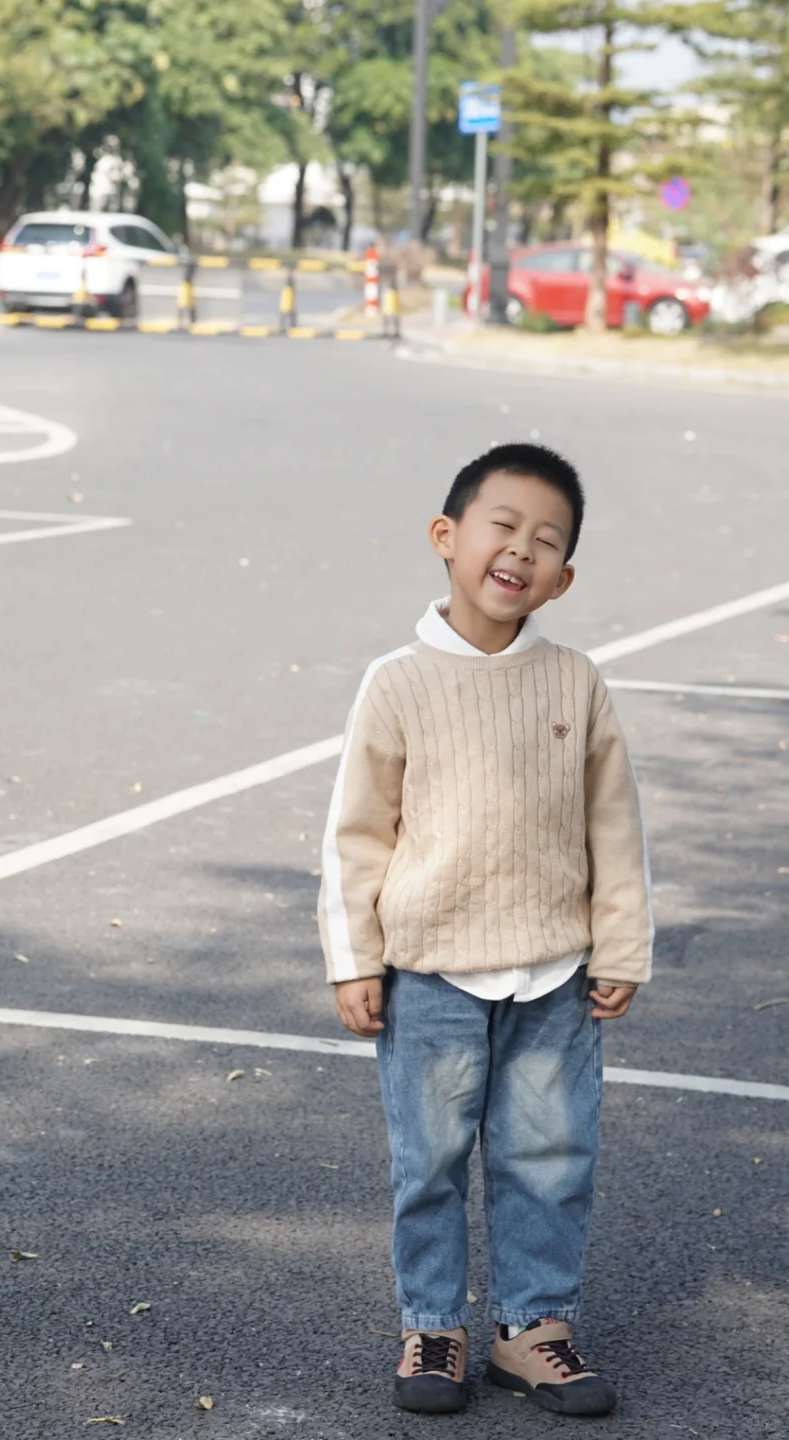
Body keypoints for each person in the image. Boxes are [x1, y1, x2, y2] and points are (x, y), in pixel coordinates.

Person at [318, 443, 652, 1417]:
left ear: (565, 576)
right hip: (428, 972)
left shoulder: (575, 681)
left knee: (549, 1155)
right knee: (427, 1161)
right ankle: (433, 1328)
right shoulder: (397, 682)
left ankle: (532, 1330)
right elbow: (358, 832)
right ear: (447, 537)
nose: (520, 552)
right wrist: (354, 959)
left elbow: (614, 823)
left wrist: (621, 944)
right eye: (502, 527)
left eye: (546, 542)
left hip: (555, 971)